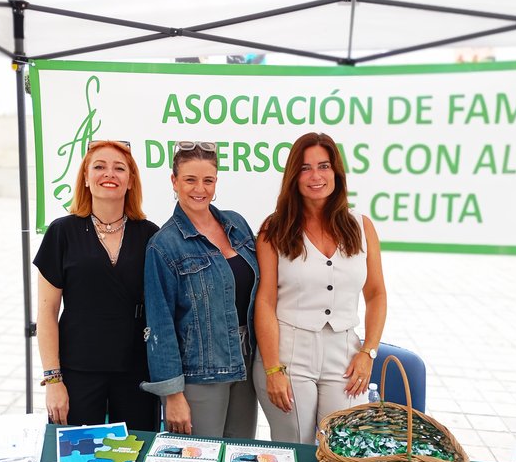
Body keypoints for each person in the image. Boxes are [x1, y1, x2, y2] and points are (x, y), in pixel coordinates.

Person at [253, 132, 387, 444]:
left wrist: (369, 351)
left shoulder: (361, 226)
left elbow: (377, 293)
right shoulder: (273, 229)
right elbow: (265, 301)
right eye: (305, 168)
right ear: (293, 176)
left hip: (345, 353)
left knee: (342, 445)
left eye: (324, 166)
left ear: (336, 173)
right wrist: (273, 369)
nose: (316, 176)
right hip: (288, 352)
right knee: (294, 447)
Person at [34, 140, 160, 429]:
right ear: (86, 179)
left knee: (135, 455)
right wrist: (54, 380)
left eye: (119, 168)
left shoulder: (150, 235)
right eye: (99, 167)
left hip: (136, 373)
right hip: (78, 372)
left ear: (130, 181)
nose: (109, 174)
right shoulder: (61, 233)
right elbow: (47, 312)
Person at [142, 141, 259, 438]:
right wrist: (172, 394)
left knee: (240, 458)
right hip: (200, 373)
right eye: (190, 180)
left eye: (208, 180)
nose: (200, 189)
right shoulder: (163, 244)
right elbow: (160, 324)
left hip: (246, 364)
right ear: (174, 181)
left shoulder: (237, 225)